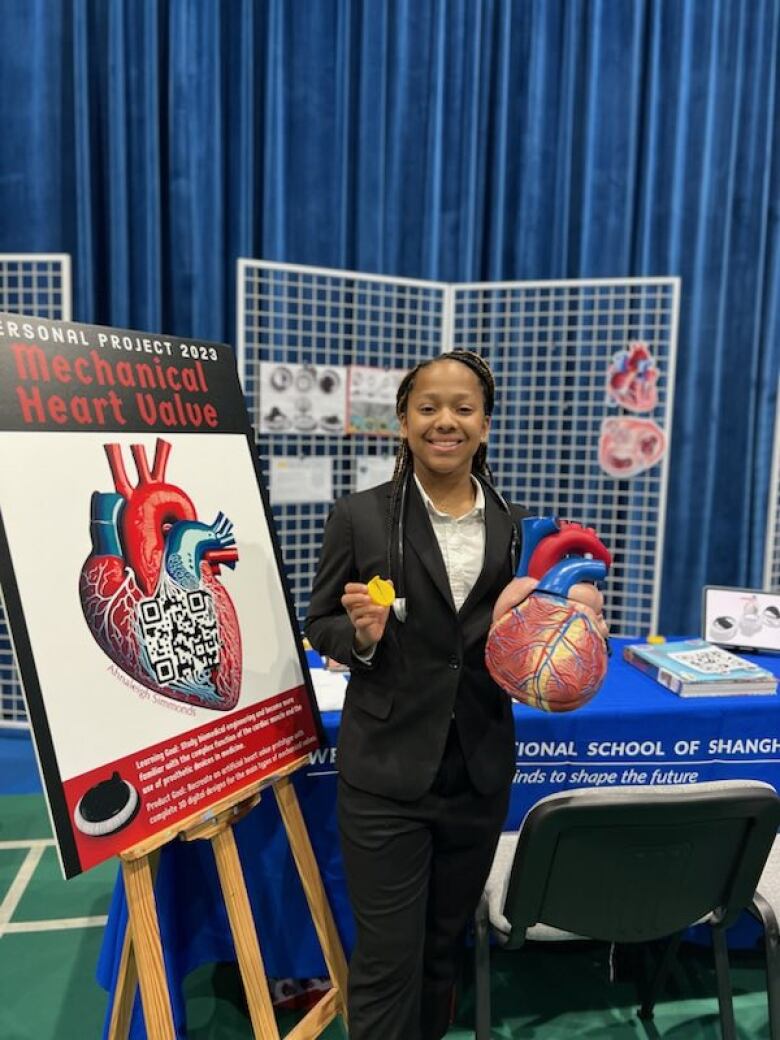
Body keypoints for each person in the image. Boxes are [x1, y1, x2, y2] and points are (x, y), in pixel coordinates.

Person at [305, 350, 606, 1040]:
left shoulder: (520, 529)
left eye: (463, 408)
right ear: (404, 424)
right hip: (385, 772)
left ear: (486, 425)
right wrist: (363, 636)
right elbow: (318, 620)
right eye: (428, 407)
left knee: (444, 949)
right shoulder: (361, 517)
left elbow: (537, 630)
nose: (446, 421)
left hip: (477, 770)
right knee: (386, 960)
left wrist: (573, 623)